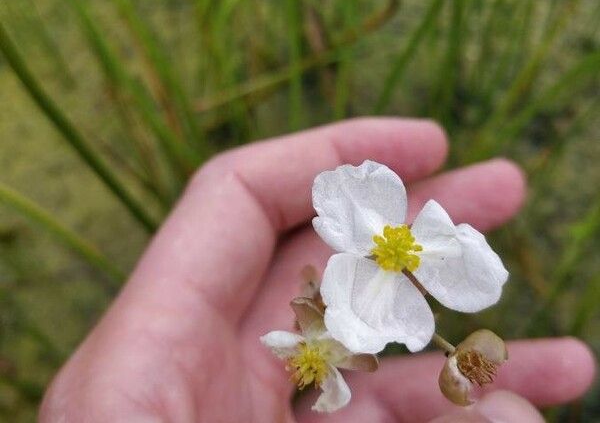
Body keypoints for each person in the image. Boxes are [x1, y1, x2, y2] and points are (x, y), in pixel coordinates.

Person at [40, 118, 595, 422]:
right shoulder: (361, 256)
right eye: (396, 243)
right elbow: (356, 317)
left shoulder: (426, 251)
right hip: (341, 315)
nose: (399, 244)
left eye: (401, 243)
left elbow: (405, 304)